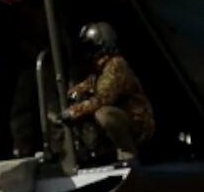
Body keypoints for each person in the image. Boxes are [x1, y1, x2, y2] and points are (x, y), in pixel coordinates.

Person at [57, 22, 155, 163]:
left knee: (103, 114)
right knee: (86, 109)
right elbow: (85, 86)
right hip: (124, 119)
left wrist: (73, 112)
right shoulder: (98, 70)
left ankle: (128, 155)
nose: (87, 52)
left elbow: (103, 98)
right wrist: (72, 95)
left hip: (137, 123)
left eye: (91, 47)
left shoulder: (116, 65)